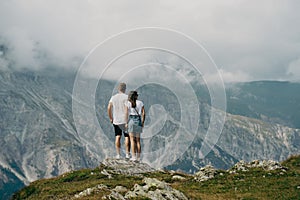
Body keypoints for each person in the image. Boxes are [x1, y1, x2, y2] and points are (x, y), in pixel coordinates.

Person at [107, 83, 130, 159]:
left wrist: (111, 118)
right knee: (127, 137)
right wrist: (127, 121)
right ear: (125, 89)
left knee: (117, 136)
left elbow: (109, 108)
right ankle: (127, 154)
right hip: (124, 120)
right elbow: (127, 110)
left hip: (116, 120)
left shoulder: (113, 98)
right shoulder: (127, 97)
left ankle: (118, 154)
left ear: (118, 89)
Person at [125, 91, 145, 162]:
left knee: (132, 140)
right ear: (136, 96)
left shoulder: (128, 103)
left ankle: (133, 156)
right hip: (138, 120)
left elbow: (126, 113)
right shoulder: (140, 103)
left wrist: (126, 122)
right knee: (138, 141)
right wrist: (142, 122)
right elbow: (143, 113)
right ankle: (138, 157)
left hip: (131, 120)